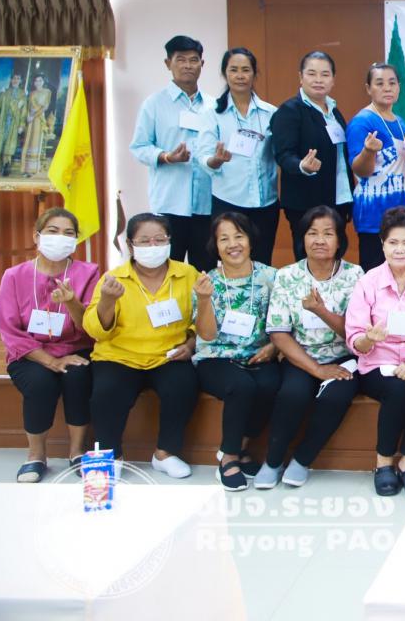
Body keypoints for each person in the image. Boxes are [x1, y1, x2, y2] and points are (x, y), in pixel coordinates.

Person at [83, 213, 201, 478]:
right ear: (130, 244)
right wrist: (107, 301)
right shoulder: (114, 278)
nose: (153, 246)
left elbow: (199, 317)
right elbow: (95, 330)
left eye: (160, 239)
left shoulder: (187, 274)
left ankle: (165, 453)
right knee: (107, 392)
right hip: (119, 356)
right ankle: (111, 455)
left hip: (168, 355)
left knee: (183, 385)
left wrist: (191, 343)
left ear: (170, 241)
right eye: (145, 241)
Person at [256, 206, 363, 489]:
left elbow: (355, 332)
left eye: (328, 233)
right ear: (302, 238)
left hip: (344, 356)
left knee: (334, 398)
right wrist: (316, 369)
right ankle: (273, 461)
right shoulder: (287, 276)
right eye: (312, 233)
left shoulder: (355, 275)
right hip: (300, 355)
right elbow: (279, 333)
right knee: (292, 394)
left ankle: (302, 460)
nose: (319, 240)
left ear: (340, 240)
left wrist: (321, 311)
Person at [346, 206, 405, 500]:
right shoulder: (368, 282)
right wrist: (368, 339)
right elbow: (354, 338)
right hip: (377, 363)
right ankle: (384, 462)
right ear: (382, 244)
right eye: (393, 242)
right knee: (398, 390)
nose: (400, 250)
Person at [0, 208, 100, 482]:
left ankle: (77, 452)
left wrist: (71, 302)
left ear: (76, 240)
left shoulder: (89, 272)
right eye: (53, 231)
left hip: (75, 348)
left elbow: (90, 325)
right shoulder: (14, 275)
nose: (60, 238)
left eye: (68, 233)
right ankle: (36, 455)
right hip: (29, 353)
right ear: (37, 236)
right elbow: (10, 330)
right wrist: (50, 361)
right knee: (40, 383)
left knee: (78, 377)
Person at [193, 212, 279, 491]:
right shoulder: (207, 282)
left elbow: (285, 322)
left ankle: (242, 447)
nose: (233, 244)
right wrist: (204, 300)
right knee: (241, 386)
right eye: (224, 239)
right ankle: (229, 457)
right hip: (216, 357)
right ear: (215, 245)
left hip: (259, 354)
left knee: (271, 384)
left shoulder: (271, 276)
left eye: (239, 236)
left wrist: (273, 346)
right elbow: (207, 336)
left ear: (250, 240)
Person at [129, 35, 216, 271]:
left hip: (206, 204)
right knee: (167, 270)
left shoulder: (214, 105)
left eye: (193, 60)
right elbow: (139, 147)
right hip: (170, 203)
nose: (188, 65)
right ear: (168, 63)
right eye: (181, 60)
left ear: (202, 64)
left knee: (205, 272)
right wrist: (166, 157)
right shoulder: (154, 104)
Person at [197, 47, 279, 266]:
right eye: (233, 70)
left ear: (254, 73)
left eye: (245, 70)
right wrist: (216, 160)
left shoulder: (270, 113)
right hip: (228, 200)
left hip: (265, 203)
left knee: (262, 262)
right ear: (225, 74)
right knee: (229, 262)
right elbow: (203, 155)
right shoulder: (213, 113)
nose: (240, 75)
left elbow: (280, 152)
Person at [271, 51, 354, 260]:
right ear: (301, 77)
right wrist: (302, 166)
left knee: (334, 259)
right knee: (309, 261)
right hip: (306, 204)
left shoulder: (334, 112)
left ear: (333, 79)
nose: (318, 79)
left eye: (325, 74)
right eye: (312, 73)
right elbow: (283, 154)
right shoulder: (290, 110)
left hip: (337, 201)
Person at [346, 62, 405, 271]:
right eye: (380, 83)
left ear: (399, 87)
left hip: (401, 211)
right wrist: (368, 151)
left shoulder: (401, 121)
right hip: (374, 214)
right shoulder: (362, 122)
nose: (387, 88)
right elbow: (360, 170)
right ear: (368, 88)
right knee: (375, 274)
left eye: (392, 83)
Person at [0, 71, 26, 176]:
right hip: (1, 123)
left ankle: (6, 166)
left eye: (18, 78)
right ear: (11, 80)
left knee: (10, 145)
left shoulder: (22, 95)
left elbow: (24, 111)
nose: (15, 80)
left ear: (20, 81)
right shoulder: (4, 93)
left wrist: (21, 125)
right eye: (14, 78)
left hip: (13, 124)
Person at [20, 73, 52, 176]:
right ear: (34, 82)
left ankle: (34, 170)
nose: (38, 82)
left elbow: (45, 107)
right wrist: (28, 117)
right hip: (30, 120)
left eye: (40, 80)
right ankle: (26, 169)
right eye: (36, 80)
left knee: (36, 142)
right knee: (28, 142)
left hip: (39, 119)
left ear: (43, 81)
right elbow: (28, 107)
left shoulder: (47, 92)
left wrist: (33, 116)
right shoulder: (32, 93)